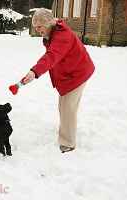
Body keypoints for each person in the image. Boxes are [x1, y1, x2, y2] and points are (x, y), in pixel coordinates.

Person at [22, 8, 95, 153]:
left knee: (68, 107)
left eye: (39, 26)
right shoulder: (53, 33)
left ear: (48, 23)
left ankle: (68, 143)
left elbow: (52, 56)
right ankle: (66, 132)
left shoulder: (62, 37)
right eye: (35, 27)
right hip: (68, 74)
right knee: (63, 105)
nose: (37, 30)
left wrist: (35, 71)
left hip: (78, 74)